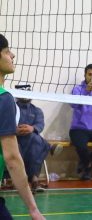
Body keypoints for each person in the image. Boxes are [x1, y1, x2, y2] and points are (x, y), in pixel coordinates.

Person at [0, 34, 45, 219]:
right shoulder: (4, 99)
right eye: (6, 51)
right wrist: (33, 209)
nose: (12, 55)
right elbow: (12, 158)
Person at [14, 84, 63, 192]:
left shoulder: (37, 110)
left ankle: (34, 179)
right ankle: (34, 178)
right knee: (37, 142)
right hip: (15, 139)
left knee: (34, 140)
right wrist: (15, 130)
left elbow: (40, 125)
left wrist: (32, 128)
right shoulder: (11, 109)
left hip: (31, 141)